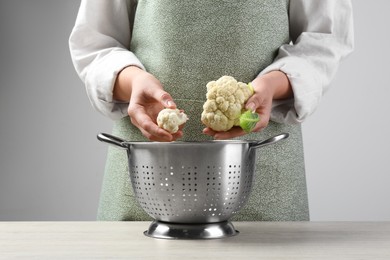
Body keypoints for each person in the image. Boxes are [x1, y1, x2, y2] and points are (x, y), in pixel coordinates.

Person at [69, 0, 354, 221]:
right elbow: (96, 43)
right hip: (146, 180)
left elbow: (324, 38)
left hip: (264, 172)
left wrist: (272, 85)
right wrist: (133, 82)